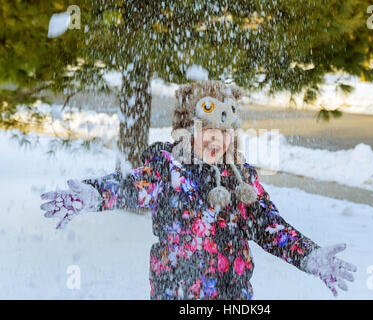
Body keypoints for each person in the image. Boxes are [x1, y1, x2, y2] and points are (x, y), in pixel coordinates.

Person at [40, 81, 356, 300]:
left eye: (224, 131)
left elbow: (268, 225)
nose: (216, 138)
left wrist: (308, 255)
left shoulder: (241, 180)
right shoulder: (168, 171)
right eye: (207, 129)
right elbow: (131, 185)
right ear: (188, 129)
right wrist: (96, 193)